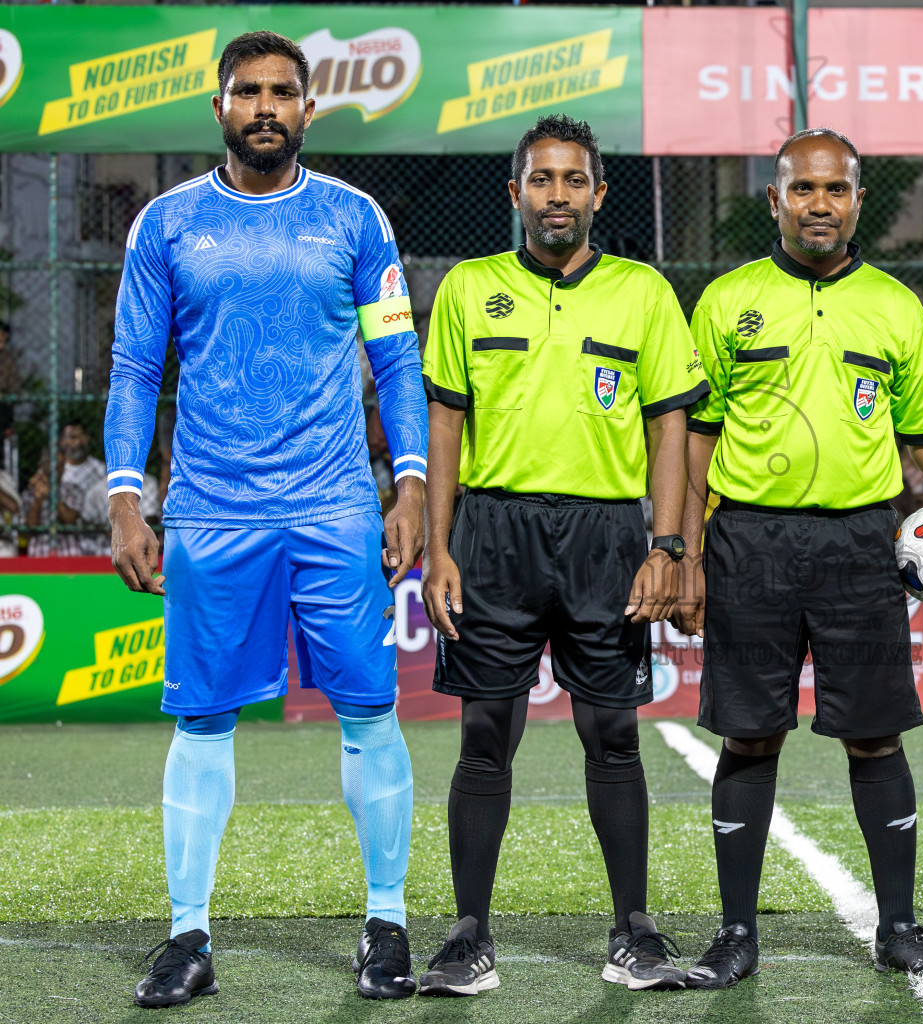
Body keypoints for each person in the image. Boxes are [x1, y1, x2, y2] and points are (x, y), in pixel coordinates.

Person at [106, 32, 427, 1006]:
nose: (265, 107)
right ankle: (187, 937)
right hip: (209, 510)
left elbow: (397, 361)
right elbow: (133, 368)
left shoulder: (355, 219)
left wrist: (409, 482)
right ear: (218, 105)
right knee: (203, 718)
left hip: (334, 505)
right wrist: (127, 494)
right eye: (247, 91)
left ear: (308, 108)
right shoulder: (165, 226)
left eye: (283, 92)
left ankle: (388, 921)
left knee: (371, 709)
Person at [674, 128, 923, 988]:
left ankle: (897, 926)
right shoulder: (725, 302)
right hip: (748, 540)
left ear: (857, 199)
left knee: (874, 737)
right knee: (749, 738)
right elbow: (694, 442)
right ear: (776, 200)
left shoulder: (896, 308)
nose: (819, 204)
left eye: (835, 190)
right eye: (802, 190)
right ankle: (735, 933)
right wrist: (681, 550)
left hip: (862, 544)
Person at [418, 114, 706, 996]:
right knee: (483, 736)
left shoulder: (644, 293)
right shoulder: (469, 289)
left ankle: (635, 931)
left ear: (598, 194)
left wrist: (667, 546)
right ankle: (470, 934)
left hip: (606, 541)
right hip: (494, 536)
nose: (557, 196)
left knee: (612, 733)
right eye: (541, 181)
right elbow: (444, 426)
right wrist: (438, 546)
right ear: (515, 194)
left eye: (573, 181)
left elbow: (672, 429)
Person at [25, 421, 110, 556]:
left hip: (73, 548)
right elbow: (29, 528)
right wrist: (37, 501)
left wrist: (52, 495)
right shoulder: (32, 490)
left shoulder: (73, 489)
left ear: (63, 468)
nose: (53, 470)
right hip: (39, 550)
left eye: (57, 466)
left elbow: (70, 519)